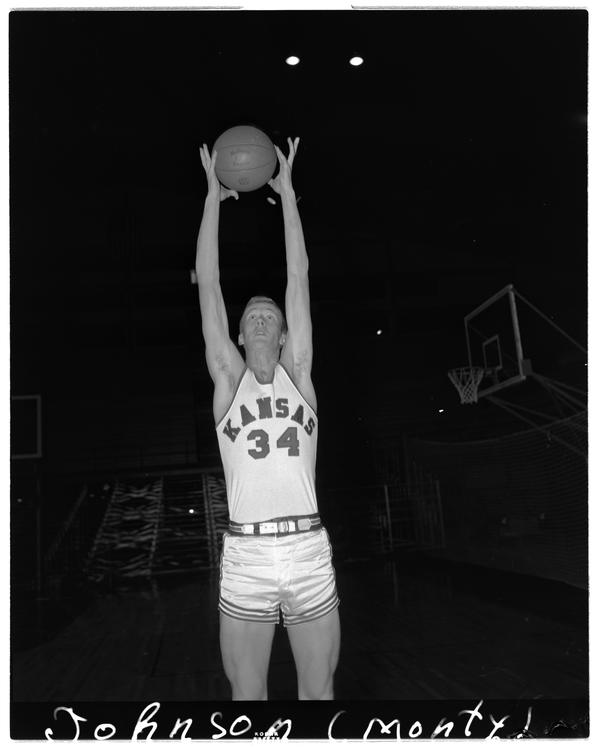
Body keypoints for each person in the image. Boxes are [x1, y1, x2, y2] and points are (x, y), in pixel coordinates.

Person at [196, 136, 340, 701]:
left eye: (270, 315)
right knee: (247, 699)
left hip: (307, 548)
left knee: (319, 695)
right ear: (237, 335)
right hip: (247, 555)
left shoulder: (298, 374)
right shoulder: (228, 382)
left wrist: (290, 198)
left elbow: (298, 278)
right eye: (252, 315)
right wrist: (211, 200)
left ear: (283, 335)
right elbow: (209, 284)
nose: (260, 318)